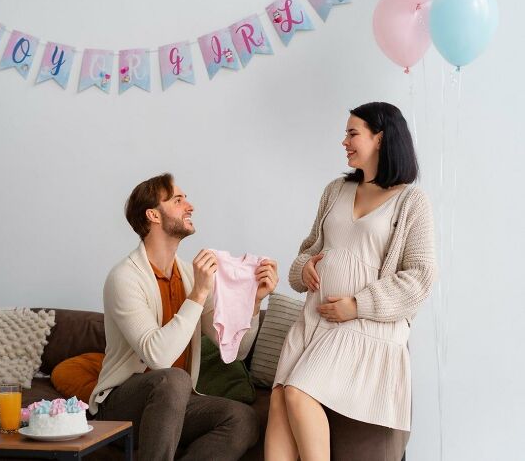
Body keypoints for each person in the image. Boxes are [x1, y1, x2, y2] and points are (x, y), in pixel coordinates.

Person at [265, 102, 436, 461]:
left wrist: (357, 305)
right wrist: (304, 268)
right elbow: (307, 250)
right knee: (279, 399)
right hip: (315, 319)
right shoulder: (335, 190)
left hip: (363, 327)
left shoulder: (411, 202)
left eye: (352, 132)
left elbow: (420, 278)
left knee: (296, 393)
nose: (344, 141)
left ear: (381, 138)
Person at [90, 173, 279, 460]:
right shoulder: (124, 278)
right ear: (153, 214)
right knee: (174, 379)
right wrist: (199, 293)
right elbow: (158, 357)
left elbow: (235, 351)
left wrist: (254, 302)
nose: (190, 206)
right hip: (119, 406)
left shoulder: (190, 275)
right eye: (178, 200)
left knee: (241, 419)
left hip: (174, 401)